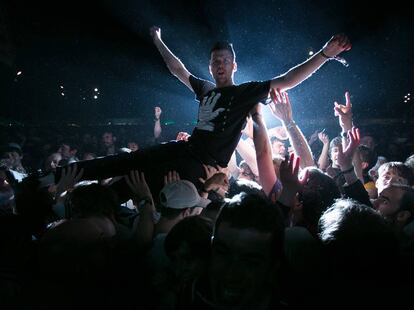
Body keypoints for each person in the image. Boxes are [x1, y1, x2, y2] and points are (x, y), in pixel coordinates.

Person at [57, 27, 351, 201]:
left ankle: (86, 203)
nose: (219, 65)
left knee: (135, 182)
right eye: (215, 61)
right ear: (210, 66)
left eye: (224, 60)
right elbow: (178, 70)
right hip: (186, 150)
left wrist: (325, 54)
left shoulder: (243, 93)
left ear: (234, 66)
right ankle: (51, 180)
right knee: (128, 160)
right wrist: (158, 40)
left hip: (203, 166)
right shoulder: (207, 89)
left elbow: (287, 79)